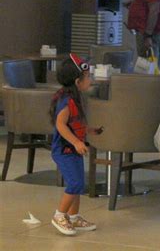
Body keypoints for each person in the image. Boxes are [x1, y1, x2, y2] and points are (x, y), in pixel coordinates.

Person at [49, 54, 102, 235]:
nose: (91, 80)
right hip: (64, 150)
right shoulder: (66, 101)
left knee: (78, 184)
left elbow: (76, 122)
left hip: (73, 149)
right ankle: (59, 215)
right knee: (74, 183)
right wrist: (76, 141)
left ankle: (73, 217)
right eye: (88, 77)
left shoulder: (75, 98)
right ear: (77, 81)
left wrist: (89, 130)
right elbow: (61, 125)